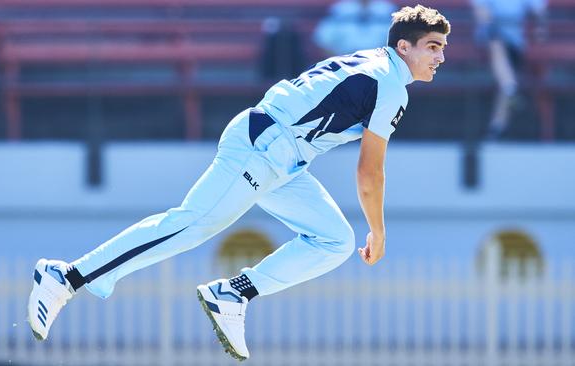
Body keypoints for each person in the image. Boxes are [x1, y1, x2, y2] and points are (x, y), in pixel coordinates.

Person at [27, 5, 450, 362]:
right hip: (267, 146)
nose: (440, 56)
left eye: (442, 48)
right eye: (432, 46)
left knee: (335, 241)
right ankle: (68, 276)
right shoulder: (392, 83)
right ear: (403, 47)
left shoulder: (374, 63)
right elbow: (369, 172)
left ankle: (233, 293)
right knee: (191, 225)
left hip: (281, 154)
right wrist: (378, 230)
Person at [470, 0, 547, 139]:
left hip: (514, 42)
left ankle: (497, 125)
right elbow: (482, 15)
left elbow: (539, 11)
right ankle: (499, 123)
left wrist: (539, 27)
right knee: (496, 41)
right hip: (490, 37)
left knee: (505, 74)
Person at [313, 0, 396, 55]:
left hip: (380, 64)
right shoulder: (340, 8)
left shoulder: (387, 9)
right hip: (345, 62)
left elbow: (398, 42)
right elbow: (323, 39)